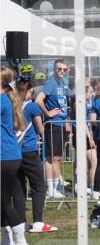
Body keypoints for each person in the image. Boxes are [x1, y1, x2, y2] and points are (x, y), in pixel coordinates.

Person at [17, 77, 56, 233]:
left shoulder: (13, 106)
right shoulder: (32, 107)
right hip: (29, 150)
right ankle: (38, 221)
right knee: (38, 185)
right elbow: (40, 128)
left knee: (19, 187)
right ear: (29, 90)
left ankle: (20, 222)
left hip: (15, 152)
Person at [2, 67, 30, 245]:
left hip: (5, 156)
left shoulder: (3, 100)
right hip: (7, 156)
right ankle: (7, 242)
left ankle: (21, 242)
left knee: (3, 201)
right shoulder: (6, 100)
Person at [36, 58, 72, 198]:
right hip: (53, 124)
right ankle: (50, 189)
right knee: (51, 158)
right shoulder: (51, 83)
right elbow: (39, 100)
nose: (61, 71)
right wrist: (47, 113)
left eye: (64, 69)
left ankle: (56, 188)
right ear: (54, 69)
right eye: (59, 69)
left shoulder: (62, 84)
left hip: (61, 124)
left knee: (58, 157)